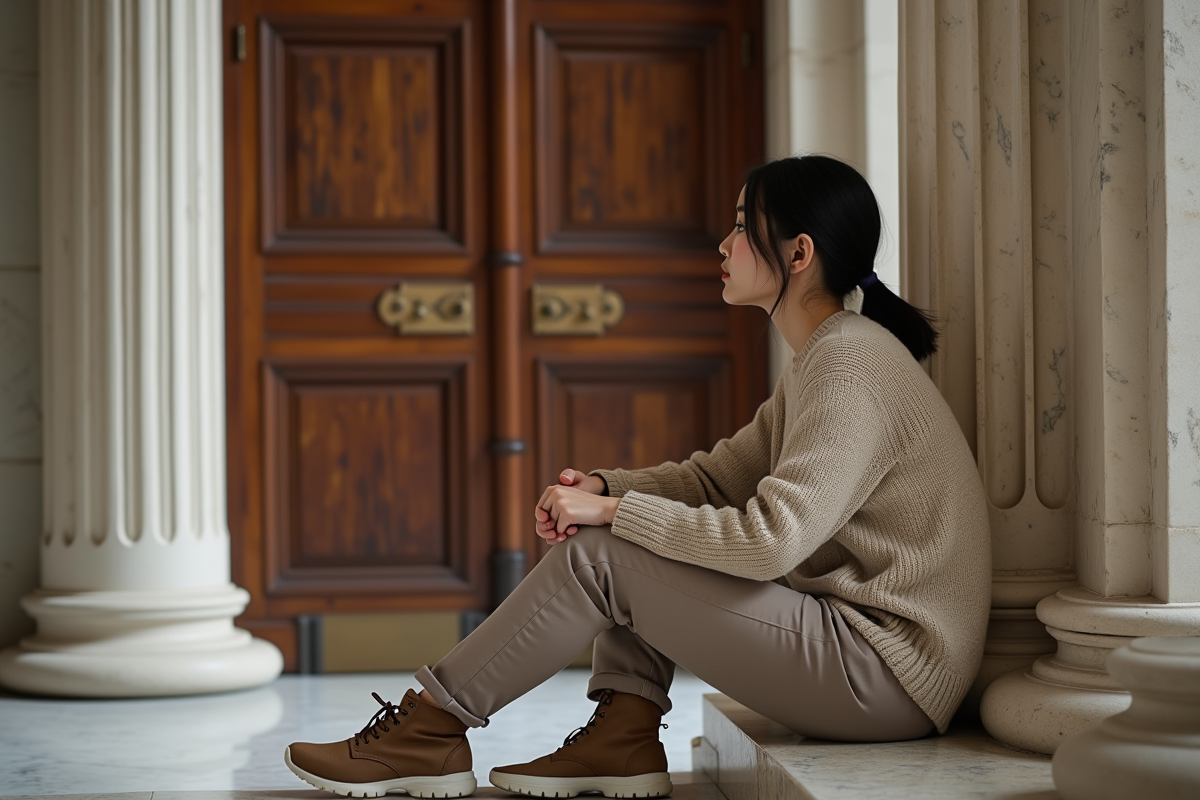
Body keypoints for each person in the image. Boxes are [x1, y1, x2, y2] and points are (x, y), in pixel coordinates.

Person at [283, 155, 991, 799]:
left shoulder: (849, 364)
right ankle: (621, 739)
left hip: (885, 674)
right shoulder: (825, 360)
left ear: (799, 254)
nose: (724, 244)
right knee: (629, 536)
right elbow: (718, 480)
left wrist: (614, 516)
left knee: (608, 554)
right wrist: (605, 487)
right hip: (864, 660)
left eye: (743, 227)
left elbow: (773, 541)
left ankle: (429, 732)